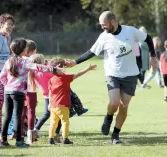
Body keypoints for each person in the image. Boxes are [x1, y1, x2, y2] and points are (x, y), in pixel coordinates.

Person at [66, 11, 157, 144]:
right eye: (101, 25)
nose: (102, 27)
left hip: (131, 74)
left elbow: (148, 38)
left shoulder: (130, 31)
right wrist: (76, 62)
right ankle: (108, 117)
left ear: (113, 21)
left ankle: (115, 135)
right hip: (112, 74)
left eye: (104, 24)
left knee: (124, 105)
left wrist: (153, 57)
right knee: (114, 103)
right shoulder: (104, 37)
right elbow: (92, 52)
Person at [0, 38, 63, 147]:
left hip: (8, 92)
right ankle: (19, 141)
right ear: (24, 49)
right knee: (18, 117)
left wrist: (8, 85)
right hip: (18, 93)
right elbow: (39, 67)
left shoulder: (9, 61)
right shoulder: (25, 62)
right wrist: (55, 70)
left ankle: (3, 141)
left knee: (7, 116)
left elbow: (2, 77)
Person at [48, 58, 97, 144]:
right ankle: (65, 139)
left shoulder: (51, 79)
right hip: (63, 105)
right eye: (64, 66)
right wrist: (88, 69)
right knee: (65, 122)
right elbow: (78, 74)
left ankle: (50, 139)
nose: (65, 68)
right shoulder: (65, 78)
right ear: (60, 67)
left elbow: (50, 92)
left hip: (53, 105)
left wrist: (49, 103)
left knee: (53, 123)